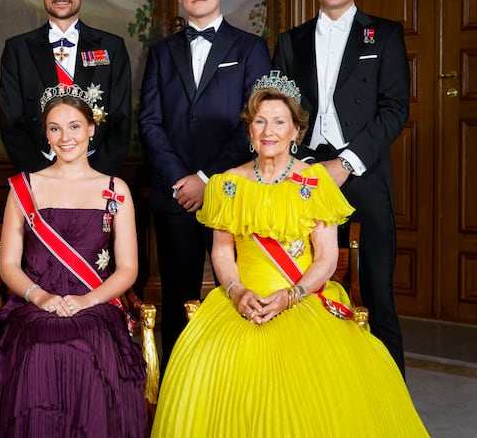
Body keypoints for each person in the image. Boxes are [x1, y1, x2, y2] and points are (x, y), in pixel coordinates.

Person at [151, 72, 427, 437]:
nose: (269, 131)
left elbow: (326, 259)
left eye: (280, 122)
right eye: (260, 121)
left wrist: (291, 295)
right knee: (204, 364)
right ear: (249, 130)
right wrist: (237, 292)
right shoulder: (226, 184)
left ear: (296, 131)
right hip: (241, 299)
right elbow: (221, 253)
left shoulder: (315, 182)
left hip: (302, 298)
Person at [273, 0, 409, 373]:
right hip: (305, 172)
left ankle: (390, 397)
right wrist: (301, 163)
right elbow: (278, 109)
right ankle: (315, 383)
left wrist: (347, 162)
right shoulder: (290, 41)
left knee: (376, 291)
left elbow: (395, 109)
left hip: (364, 171)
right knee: (301, 283)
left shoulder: (383, 34)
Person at [0, 87, 147, 437]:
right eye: (55, 128)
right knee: (39, 346)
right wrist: (40, 297)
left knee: (88, 345)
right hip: (35, 303)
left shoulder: (116, 190)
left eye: (74, 126)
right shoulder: (23, 188)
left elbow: (128, 268)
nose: (65, 137)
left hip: (96, 304)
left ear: (91, 129)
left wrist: (87, 300)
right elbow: (8, 264)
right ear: (46, 133)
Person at [138, 0, 271, 367]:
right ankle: (180, 385)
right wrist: (182, 179)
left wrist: (204, 177)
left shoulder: (251, 49)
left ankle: (231, 382)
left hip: (232, 190)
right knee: (180, 297)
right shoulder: (160, 52)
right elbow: (150, 121)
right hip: (175, 196)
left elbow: (256, 123)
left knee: (241, 293)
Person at [0, 0, 132, 176]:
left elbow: (121, 120)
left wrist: (94, 175)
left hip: (96, 176)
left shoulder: (112, 47)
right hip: (38, 176)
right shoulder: (17, 49)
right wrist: (44, 176)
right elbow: (11, 124)